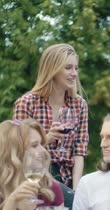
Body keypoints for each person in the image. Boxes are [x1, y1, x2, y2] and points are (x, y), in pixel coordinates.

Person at [14, 43, 89, 191]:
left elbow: (79, 153)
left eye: (76, 68)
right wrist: (47, 139)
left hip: (67, 180)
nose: (74, 73)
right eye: (68, 68)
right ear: (52, 70)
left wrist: (76, 191)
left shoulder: (79, 104)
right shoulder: (27, 103)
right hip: (36, 177)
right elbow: (18, 150)